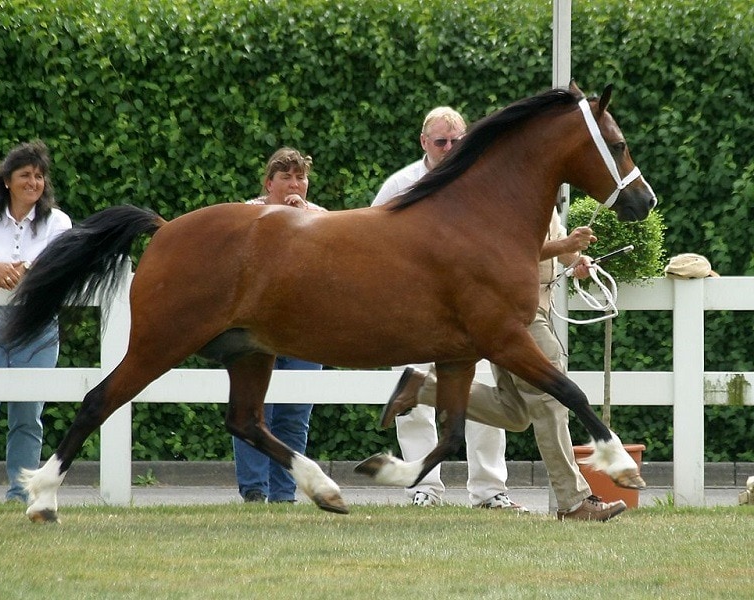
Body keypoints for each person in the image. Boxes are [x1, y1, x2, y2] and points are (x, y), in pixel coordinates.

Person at [381, 208, 629, 521]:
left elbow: (547, 246)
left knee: (514, 413)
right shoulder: (513, 189)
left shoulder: (541, 193)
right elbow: (514, 249)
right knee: (551, 401)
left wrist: (574, 259)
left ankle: (426, 388)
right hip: (520, 313)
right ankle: (574, 501)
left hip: (522, 311)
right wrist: (566, 244)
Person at [372, 107, 527, 511]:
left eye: (456, 140)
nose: (449, 147)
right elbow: (369, 241)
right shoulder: (401, 184)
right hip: (413, 311)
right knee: (413, 404)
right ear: (424, 142)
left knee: (482, 401)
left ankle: (491, 491)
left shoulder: (484, 184)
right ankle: (425, 487)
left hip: (471, 314)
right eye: (441, 141)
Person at [0, 140, 72, 505]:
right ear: (7, 180)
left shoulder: (57, 221)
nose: (33, 182)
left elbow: (62, 260)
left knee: (27, 413)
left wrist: (25, 269)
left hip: (37, 325)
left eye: (39, 176)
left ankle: (20, 494)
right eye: (25, 175)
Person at [232, 147, 326, 503]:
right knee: (255, 411)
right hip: (256, 331)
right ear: (268, 183)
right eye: (285, 176)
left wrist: (306, 223)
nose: (294, 184)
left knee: (295, 414)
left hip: (305, 333)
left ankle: (285, 494)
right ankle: (255, 490)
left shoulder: (322, 218)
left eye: (300, 177)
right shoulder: (247, 216)